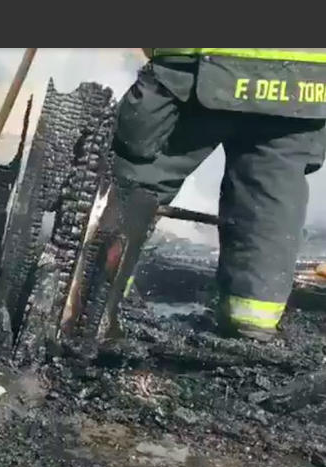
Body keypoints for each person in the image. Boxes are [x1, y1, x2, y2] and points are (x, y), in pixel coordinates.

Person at [84, 48, 326, 342]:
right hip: (302, 82)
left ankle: (89, 301)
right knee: (268, 204)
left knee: (137, 179)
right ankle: (251, 323)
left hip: (197, 70)